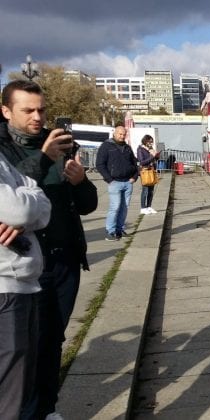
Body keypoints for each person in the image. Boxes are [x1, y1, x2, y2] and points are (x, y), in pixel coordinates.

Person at [1, 80, 98, 420]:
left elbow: (86, 205)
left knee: (53, 338)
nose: (37, 117)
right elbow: (15, 199)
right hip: (25, 263)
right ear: (6, 111)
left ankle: (47, 408)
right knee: (26, 347)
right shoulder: (5, 149)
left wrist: (80, 182)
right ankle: (26, 411)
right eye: (28, 110)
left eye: (41, 109)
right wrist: (43, 159)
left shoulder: (60, 144)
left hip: (65, 259)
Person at [0, 151, 51, 420]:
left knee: (21, 383)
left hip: (22, 283)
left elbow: (42, 201)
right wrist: (26, 206)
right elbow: (20, 210)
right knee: (9, 390)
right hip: (5, 284)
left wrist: (25, 208)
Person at [96, 125, 139, 241]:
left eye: (124, 134)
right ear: (114, 133)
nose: (122, 136)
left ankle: (120, 230)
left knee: (124, 208)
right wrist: (109, 179)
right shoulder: (106, 146)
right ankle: (110, 231)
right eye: (120, 134)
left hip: (128, 182)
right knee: (115, 207)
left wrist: (134, 177)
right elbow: (100, 164)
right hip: (115, 182)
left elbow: (135, 164)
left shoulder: (127, 147)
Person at [137, 134, 160, 215]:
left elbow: (154, 158)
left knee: (151, 190)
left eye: (152, 142)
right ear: (145, 141)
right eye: (149, 142)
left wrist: (156, 156)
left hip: (152, 170)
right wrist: (152, 156)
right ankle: (143, 208)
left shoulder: (151, 149)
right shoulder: (140, 149)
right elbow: (142, 162)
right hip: (145, 171)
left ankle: (149, 206)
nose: (151, 143)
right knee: (145, 190)